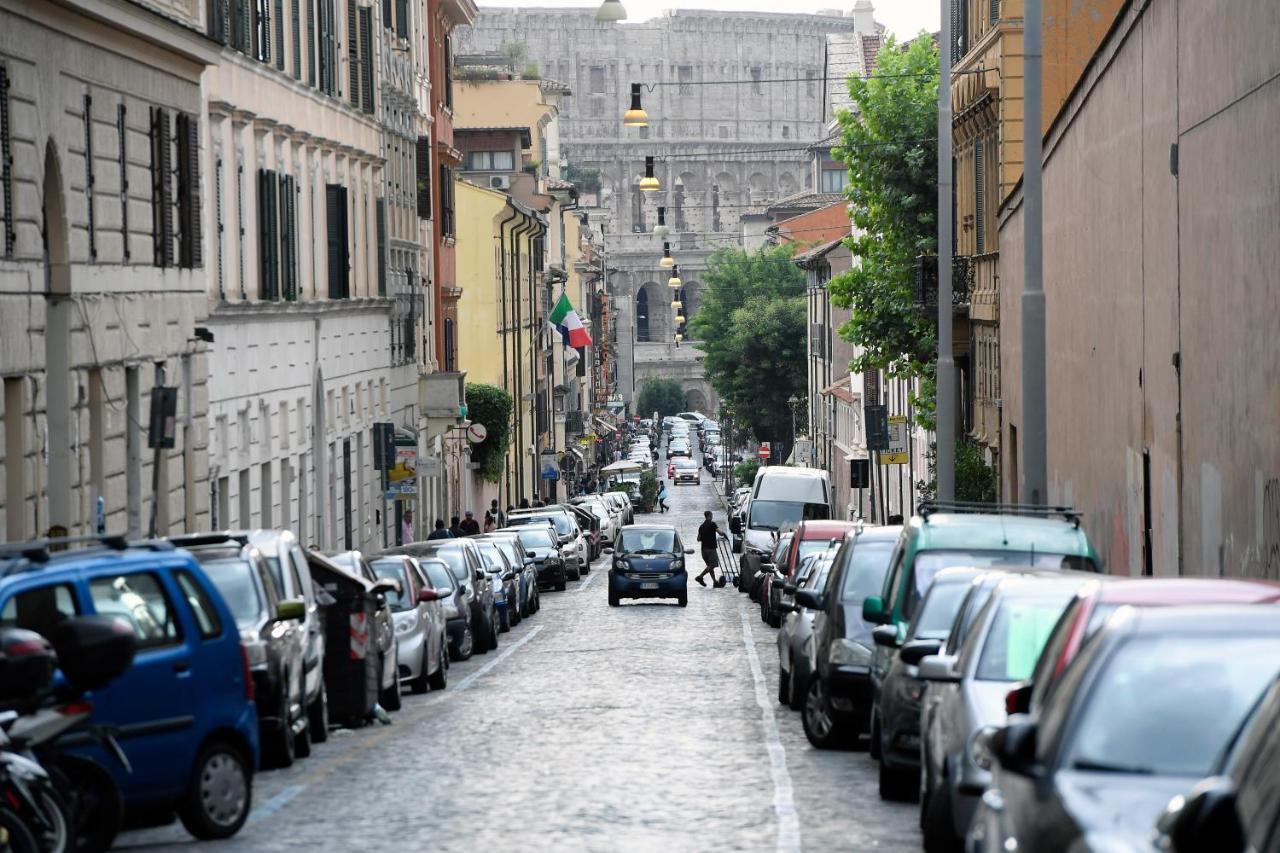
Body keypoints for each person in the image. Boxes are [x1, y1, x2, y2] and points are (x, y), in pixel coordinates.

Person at [695, 511, 722, 587]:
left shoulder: (701, 526)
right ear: (710, 515)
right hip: (711, 549)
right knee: (713, 565)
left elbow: (698, 539)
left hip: (703, 550)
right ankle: (700, 577)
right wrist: (724, 534)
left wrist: (705, 536)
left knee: (709, 566)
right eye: (712, 515)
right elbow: (720, 532)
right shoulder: (713, 524)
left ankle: (715, 582)